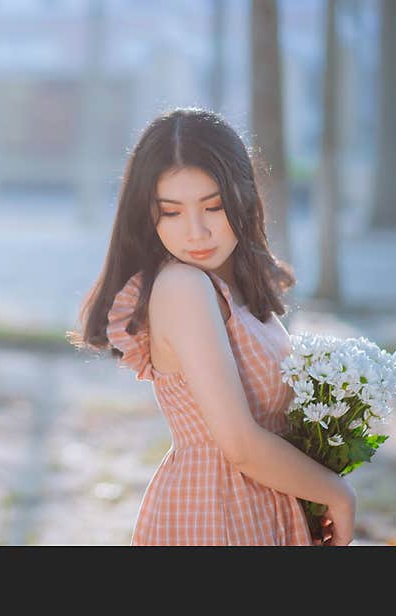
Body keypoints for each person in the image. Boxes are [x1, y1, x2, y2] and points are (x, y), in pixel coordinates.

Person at [69, 107, 355, 546]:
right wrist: (338, 494)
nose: (196, 232)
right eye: (172, 212)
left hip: (263, 507)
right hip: (216, 514)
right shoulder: (182, 287)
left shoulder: (232, 284)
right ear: (149, 214)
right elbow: (239, 445)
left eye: (213, 206)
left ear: (242, 198)